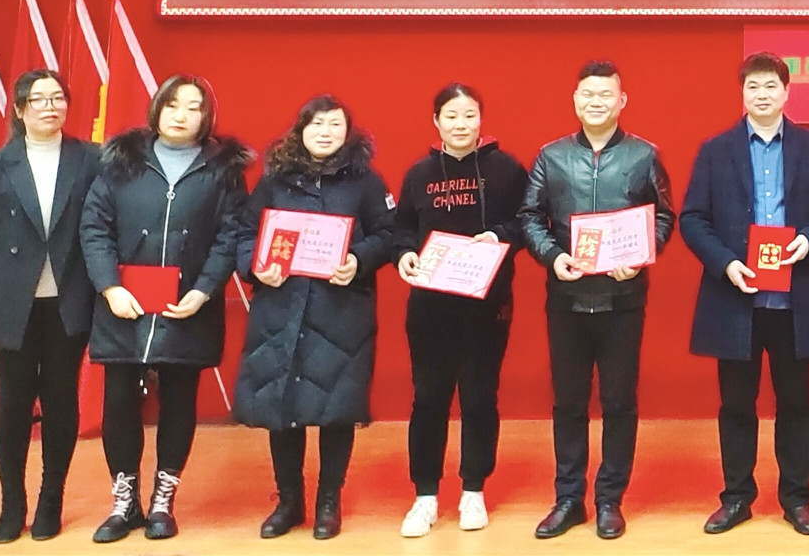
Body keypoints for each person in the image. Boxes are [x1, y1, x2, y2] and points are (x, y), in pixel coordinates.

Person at [679, 52, 809, 537]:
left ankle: (797, 499)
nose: (762, 94)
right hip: (737, 298)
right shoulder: (716, 150)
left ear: (787, 92)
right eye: (753, 86)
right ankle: (736, 497)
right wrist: (726, 263)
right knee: (736, 405)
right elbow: (692, 218)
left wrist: (808, 240)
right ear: (742, 93)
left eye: (771, 85)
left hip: (795, 299)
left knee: (796, 404)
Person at [80, 74, 252, 543]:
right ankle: (124, 502)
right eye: (173, 104)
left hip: (187, 305)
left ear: (206, 117)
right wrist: (110, 287)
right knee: (120, 403)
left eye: (193, 107)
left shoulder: (222, 171)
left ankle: (162, 501)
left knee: (178, 402)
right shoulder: (121, 162)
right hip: (124, 305)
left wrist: (205, 290)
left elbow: (231, 236)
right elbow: (94, 228)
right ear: (157, 108)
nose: (181, 115)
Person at [231, 94, 402, 541]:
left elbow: (389, 234)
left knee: (336, 408)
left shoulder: (365, 181)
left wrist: (358, 260)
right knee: (282, 406)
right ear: (300, 129)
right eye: (317, 124)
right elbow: (246, 234)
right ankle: (289, 501)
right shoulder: (274, 180)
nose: (326, 132)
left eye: (335, 125)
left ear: (348, 132)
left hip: (341, 311)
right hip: (281, 309)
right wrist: (256, 266)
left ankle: (329, 501)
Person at [518, 61, 676, 541]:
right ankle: (569, 498)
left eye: (605, 94)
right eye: (587, 94)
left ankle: (610, 498)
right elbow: (529, 216)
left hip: (622, 300)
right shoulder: (551, 157)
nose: (596, 102)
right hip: (567, 299)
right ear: (575, 100)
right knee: (568, 402)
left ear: (621, 101)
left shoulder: (644, 155)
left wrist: (642, 256)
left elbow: (665, 217)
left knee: (618, 402)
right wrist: (553, 257)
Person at [0, 69, 103, 543]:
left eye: (57, 97)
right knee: (14, 404)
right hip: (9, 302)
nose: (49, 106)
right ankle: (11, 503)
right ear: (20, 110)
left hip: (68, 299)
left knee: (61, 400)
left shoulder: (90, 159)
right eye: (38, 99)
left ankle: (50, 499)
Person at [392, 83, 530, 539]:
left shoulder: (506, 169)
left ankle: (473, 490)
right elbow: (402, 229)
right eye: (451, 116)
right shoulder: (418, 174)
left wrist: (499, 237)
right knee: (428, 398)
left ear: (481, 119)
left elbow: (528, 222)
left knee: (479, 397)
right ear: (436, 122)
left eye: (469, 115)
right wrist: (404, 255)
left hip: (486, 306)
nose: (461, 124)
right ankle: (425, 496)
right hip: (430, 308)